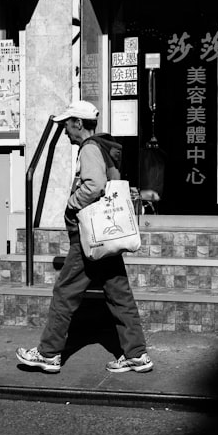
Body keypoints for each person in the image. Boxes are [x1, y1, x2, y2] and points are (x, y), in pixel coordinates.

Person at [16, 100, 153, 374]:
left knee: (64, 292)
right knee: (118, 294)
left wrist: (71, 203)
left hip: (90, 238)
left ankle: (48, 353)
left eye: (68, 124)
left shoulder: (90, 149)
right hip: (108, 235)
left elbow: (94, 186)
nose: (66, 130)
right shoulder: (106, 148)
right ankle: (137, 355)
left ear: (79, 123)